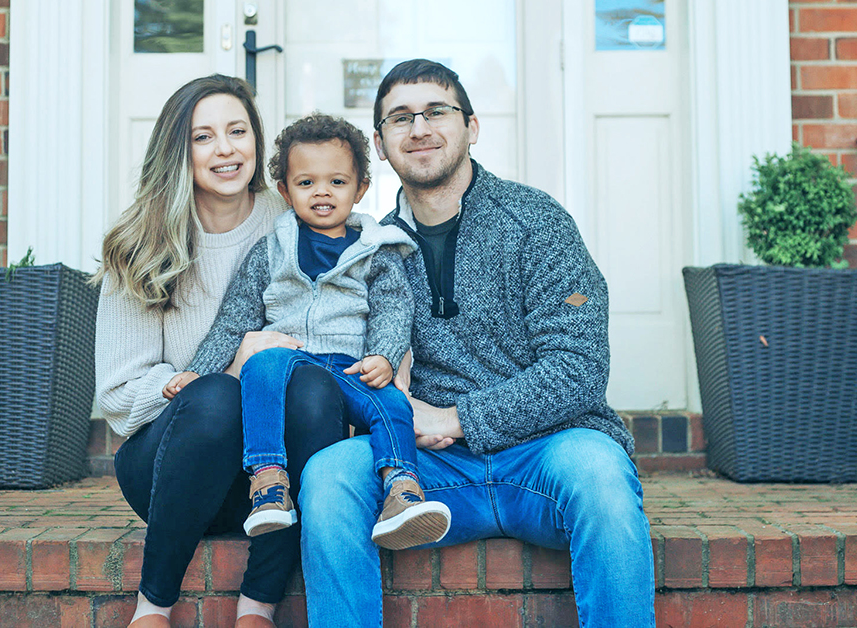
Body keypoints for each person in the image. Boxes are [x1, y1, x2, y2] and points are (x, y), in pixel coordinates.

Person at [297, 59, 656, 626]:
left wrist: (454, 418)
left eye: (436, 111)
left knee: (602, 474)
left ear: (472, 125)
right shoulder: (367, 252)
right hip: (428, 472)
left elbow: (579, 367)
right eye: (400, 118)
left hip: (550, 453)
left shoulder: (536, 223)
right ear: (380, 144)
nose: (419, 129)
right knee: (329, 474)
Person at [93, 75, 346, 628]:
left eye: (238, 131)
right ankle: (152, 606)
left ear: (258, 142)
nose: (226, 149)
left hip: (273, 481)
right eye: (204, 137)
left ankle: (258, 606)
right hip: (172, 469)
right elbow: (116, 396)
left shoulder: (296, 222)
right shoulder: (141, 243)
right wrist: (230, 367)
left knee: (307, 387)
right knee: (218, 397)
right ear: (177, 152)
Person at [170, 113, 452, 550]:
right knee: (261, 362)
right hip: (292, 361)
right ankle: (268, 483)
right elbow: (235, 319)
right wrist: (199, 371)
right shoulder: (270, 250)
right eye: (306, 183)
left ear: (360, 189)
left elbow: (394, 310)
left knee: (392, 403)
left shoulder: (376, 252)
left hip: (349, 365)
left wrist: (384, 356)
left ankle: (402, 491)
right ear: (285, 190)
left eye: (337, 182)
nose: (322, 192)